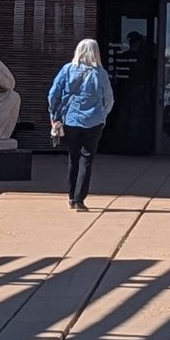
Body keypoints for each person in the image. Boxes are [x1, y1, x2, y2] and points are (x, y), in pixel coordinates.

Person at [47, 38, 112, 211]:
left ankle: (70, 196)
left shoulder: (67, 70)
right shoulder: (101, 73)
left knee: (73, 158)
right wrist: (102, 115)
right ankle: (79, 199)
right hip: (94, 121)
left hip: (71, 119)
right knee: (87, 159)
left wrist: (54, 115)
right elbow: (109, 99)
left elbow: (53, 94)